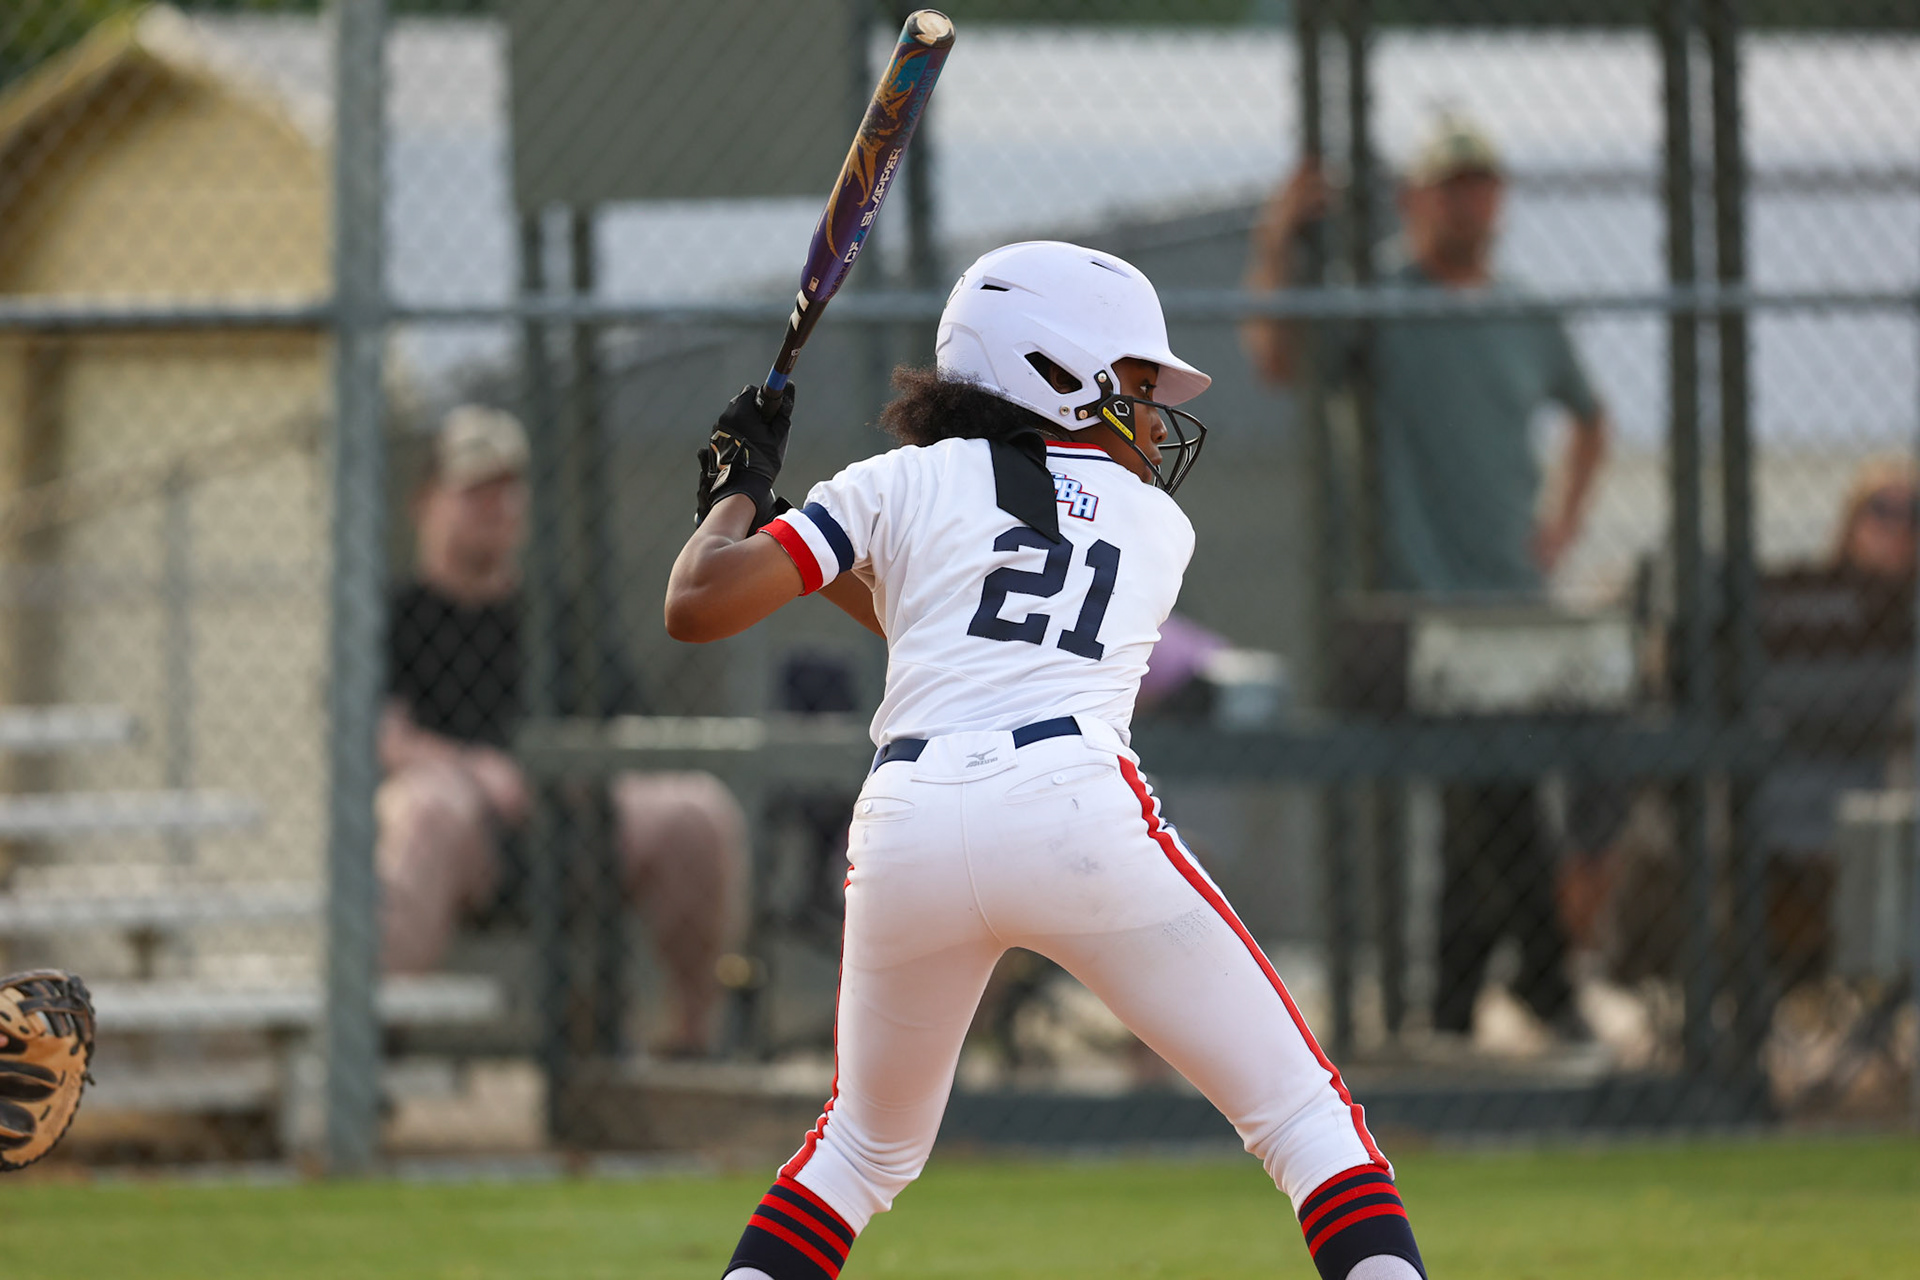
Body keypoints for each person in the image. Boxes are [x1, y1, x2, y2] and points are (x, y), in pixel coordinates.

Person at [667, 242, 1426, 1280]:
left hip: (909, 823)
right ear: (1056, 372)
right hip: (1074, 813)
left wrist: (738, 493)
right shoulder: (1158, 525)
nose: (1156, 419)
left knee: (857, 1149)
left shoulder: (897, 480)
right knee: (1303, 1113)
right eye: (1138, 386)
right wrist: (772, 497)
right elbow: (941, 593)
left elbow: (706, 600)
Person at [1245, 110, 1613, 1043]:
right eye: (1452, 186)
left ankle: (1453, 1003)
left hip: (1512, 597)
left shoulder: (1526, 311)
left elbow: (1591, 417)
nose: (1470, 204)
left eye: (1482, 185)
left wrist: (1562, 525)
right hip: (1414, 592)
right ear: (1415, 200)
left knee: (1485, 797)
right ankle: (1544, 986)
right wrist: (1278, 239)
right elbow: (1279, 360)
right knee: (1494, 786)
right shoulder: (1381, 301)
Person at [378, 405, 748, 1056]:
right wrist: (472, 769)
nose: (496, 506)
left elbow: (623, 725)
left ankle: (693, 1043)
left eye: (507, 489)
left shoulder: (556, 614)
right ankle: (375, 1046)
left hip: (576, 817)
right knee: (425, 808)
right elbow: (385, 737)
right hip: (469, 824)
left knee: (696, 809)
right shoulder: (398, 614)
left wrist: (576, 768)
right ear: (425, 503)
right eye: (474, 491)